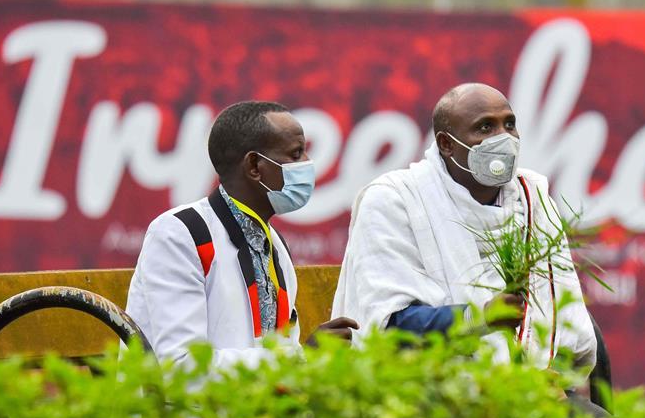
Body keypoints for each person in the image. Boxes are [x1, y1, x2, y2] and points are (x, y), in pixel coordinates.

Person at [332, 83, 597, 374]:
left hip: (533, 386)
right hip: (428, 388)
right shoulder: (394, 199)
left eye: (509, 124)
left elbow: (563, 316)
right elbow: (389, 325)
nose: (504, 138)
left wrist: (547, 380)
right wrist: (480, 317)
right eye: (485, 128)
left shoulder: (532, 195)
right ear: (446, 144)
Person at [126, 101, 357, 370]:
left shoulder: (276, 246)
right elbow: (182, 367)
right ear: (255, 166)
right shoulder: (180, 234)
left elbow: (283, 359)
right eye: (296, 154)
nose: (307, 164)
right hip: (181, 412)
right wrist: (300, 357)